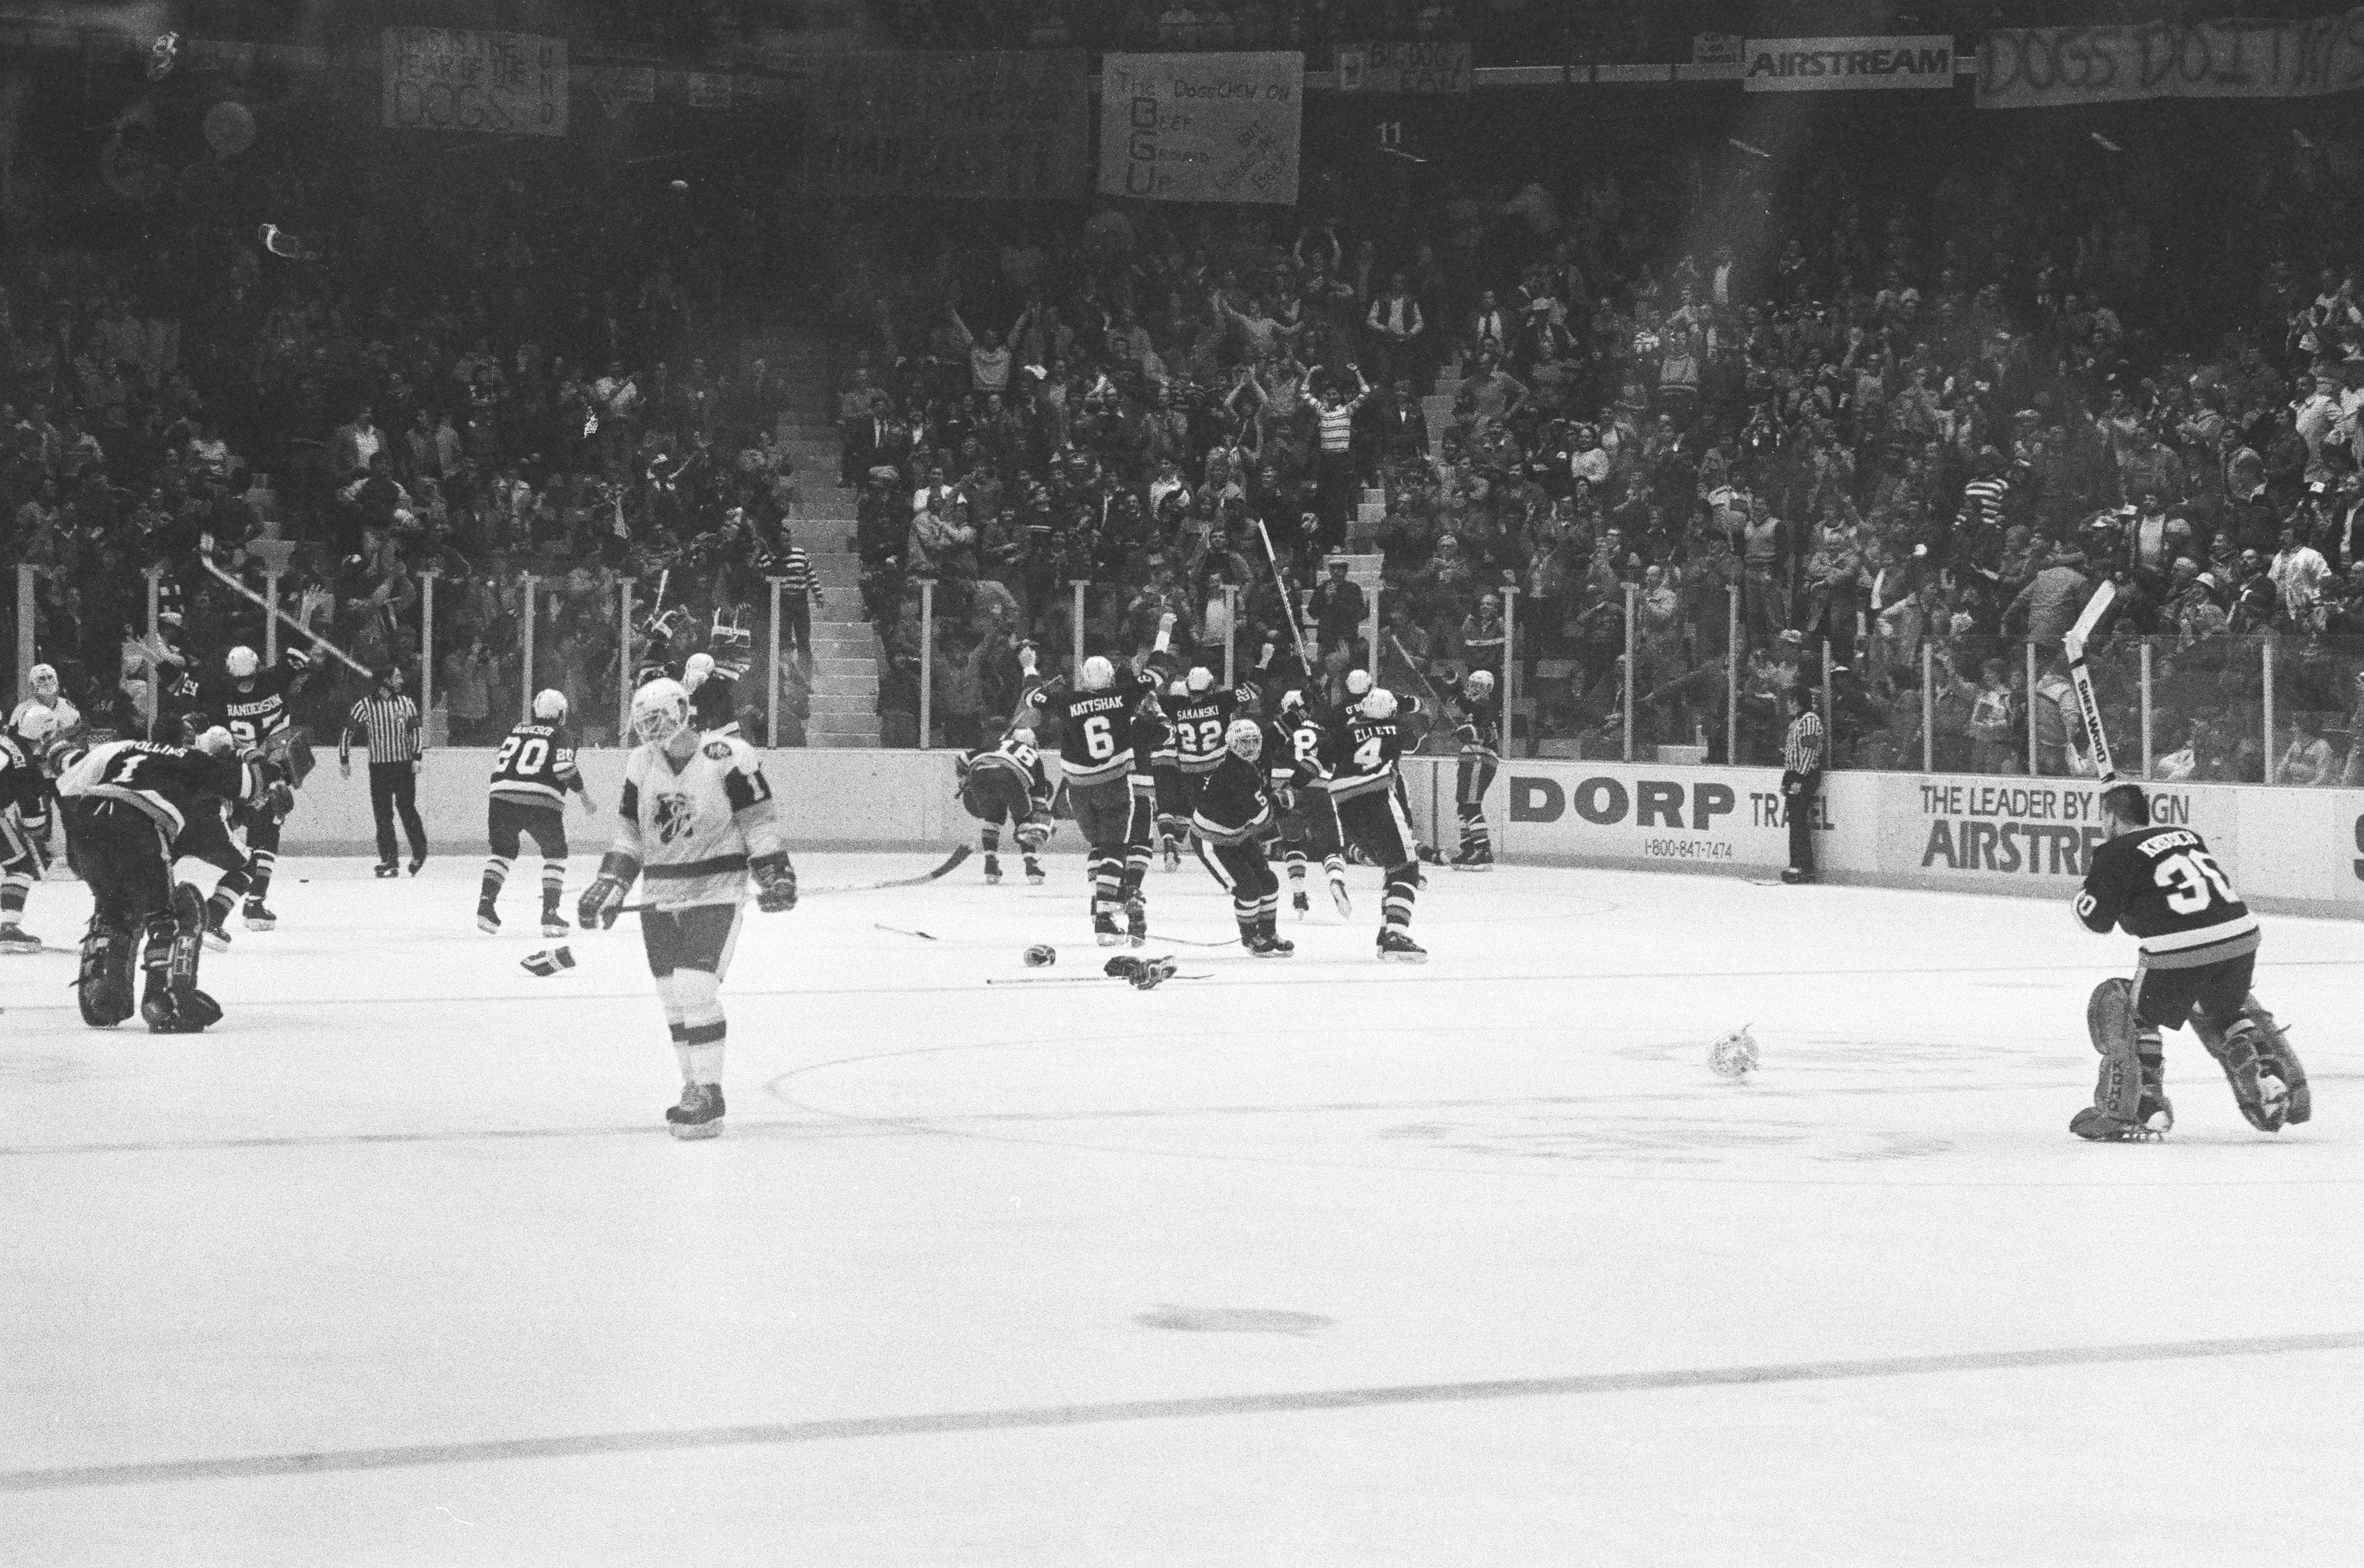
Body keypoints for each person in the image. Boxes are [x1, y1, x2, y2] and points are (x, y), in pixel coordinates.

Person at [579, 678, 797, 1140]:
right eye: (643, 720)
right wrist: (612, 882)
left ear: (682, 711)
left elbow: (757, 822)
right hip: (661, 893)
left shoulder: (727, 755)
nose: (649, 728)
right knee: (671, 997)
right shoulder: (640, 762)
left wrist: (775, 872)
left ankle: (710, 1092)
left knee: (696, 988)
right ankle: (692, 1088)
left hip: (716, 889)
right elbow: (629, 835)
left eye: (657, 717)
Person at [2070, 783, 2309, 1141]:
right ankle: (2274, 1078)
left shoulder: (2115, 852)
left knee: (2122, 1005)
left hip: (2180, 949)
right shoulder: (2186, 835)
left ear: (2109, 816)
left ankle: (2137, 1108)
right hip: (2242, 938)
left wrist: (2090, 886)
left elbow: (2096, 920)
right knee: (2221, 1005)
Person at [53, 727, 270, 1032]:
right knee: (176, 911)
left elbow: (69, 770)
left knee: (115, 909)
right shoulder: (197, 765)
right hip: (138, 826)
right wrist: (262, 761)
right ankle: (164, 1001)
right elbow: (252, 785)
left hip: (85, 827)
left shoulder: (129, 747)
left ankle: (104, 995)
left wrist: (59, 751)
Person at [1018, 642, 1167, 946]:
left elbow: (1033, 697)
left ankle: (1099, 901)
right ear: (1111, 677)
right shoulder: (1123, 696)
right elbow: (1155, 675)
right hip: (1113, 784)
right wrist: (1164, 634)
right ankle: (1104, 918)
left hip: (1077, 789)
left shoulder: (1068, 700)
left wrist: (1029, 665)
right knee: (1114, 849)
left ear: (1085, 679)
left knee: (1099, 847)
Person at [174, 643, 313, 930]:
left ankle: (160, 903)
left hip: (232, 765)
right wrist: (305, 619)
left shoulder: (217, 691)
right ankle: (254, 903)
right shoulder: (273, 678)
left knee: (235, 823)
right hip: (268, 764)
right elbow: (301, 658)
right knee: (269, 824)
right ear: (258, 665)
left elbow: (179, 686)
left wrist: (159, 660)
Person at [1319, 686, 1425, 962]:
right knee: (1407, 869)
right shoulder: (1398, 728)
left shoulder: (1344, 731)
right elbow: (1414, 741)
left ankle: (1386, 932)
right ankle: (1395, 936)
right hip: (1377, 799)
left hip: (1344, 805)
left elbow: (1321, 759)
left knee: (1392, 866)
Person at [479, 689, 595, 936]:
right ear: (562, 714)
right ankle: (550, 915)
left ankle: (485, 907)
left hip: (500, 798)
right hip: (540, 801)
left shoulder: (517, 728)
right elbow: (564, 768)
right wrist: (584, 797)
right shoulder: (563, 733)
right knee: (556, 855)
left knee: (502, 852)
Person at [1190, 718, 1295, 957]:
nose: (1249, 748)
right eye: (1243, 743)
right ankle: (1250, 938)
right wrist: (1285, 801)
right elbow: (1261, 816)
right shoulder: (1235, 772)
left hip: (1238, 834)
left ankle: (1268, 933)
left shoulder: (1248, 765)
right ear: (1231, 744)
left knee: (1269, 882)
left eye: (1253, 742)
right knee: (1247, 889)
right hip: (1212, 841)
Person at [1265, 689, 1351, 919]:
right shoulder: (1324, 730)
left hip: (1285, 788)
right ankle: (1335, 881)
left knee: (1293, 844)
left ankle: (1299, 894)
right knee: (1332, 848)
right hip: (1319, 787)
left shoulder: (1280, 729)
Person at [339, 669, 427, 877]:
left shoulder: (406, 702)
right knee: (382, 814)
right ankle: (390, 859)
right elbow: (348, 731)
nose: (401, 680)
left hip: (404, 765)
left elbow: (416, 731)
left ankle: (419, 851)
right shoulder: (366, 705)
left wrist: (417, 757)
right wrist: (344, 759)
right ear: (386, 681)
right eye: (397, 677)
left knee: (406, 809)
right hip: (379, 767)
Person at [955, 724, 1053, 885]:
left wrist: (963, 781)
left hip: (979, 774)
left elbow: (962, 758)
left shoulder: (995, 745)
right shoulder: (1035, 756)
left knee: (993, 818)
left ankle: (990, 865)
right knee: (1024, 820)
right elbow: (1038, 800)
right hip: (1009, 777)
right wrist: (1034, 819)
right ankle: (1031, 866)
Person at [0, 707, 58, 952]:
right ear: (43, 736)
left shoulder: (4, 741)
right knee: (20, 868)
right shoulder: (28, 766)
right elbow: (34, 823)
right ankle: (8, 928)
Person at [1444, 668, 1502, 869]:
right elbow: (1466, 705)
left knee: (1470, 804)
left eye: (1480, 685)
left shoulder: (1486, 705)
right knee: (1463, 804)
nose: (1475, 688)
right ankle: (1469, 848)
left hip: (1481, 757)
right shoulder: (1476, 708)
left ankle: (1483, 850)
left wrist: (1470, 731)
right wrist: (1454, 686)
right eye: (1472, 684)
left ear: (1488, 689)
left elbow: (1486, 733)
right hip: (1471, 757)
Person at [1780, 688, 1824, 885]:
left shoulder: (1810, 721)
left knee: (1798, 819)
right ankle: (1796, 863)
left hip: (1806, 775)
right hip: (1795, 774)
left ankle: (1804, 866)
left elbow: (1809, 752)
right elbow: (1791, 754)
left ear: (1798, 702)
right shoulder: (1796, 723)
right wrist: (1786, 779)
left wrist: (1799, 779)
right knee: (1795, 820)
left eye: (1790, 701)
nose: (1788, 705)